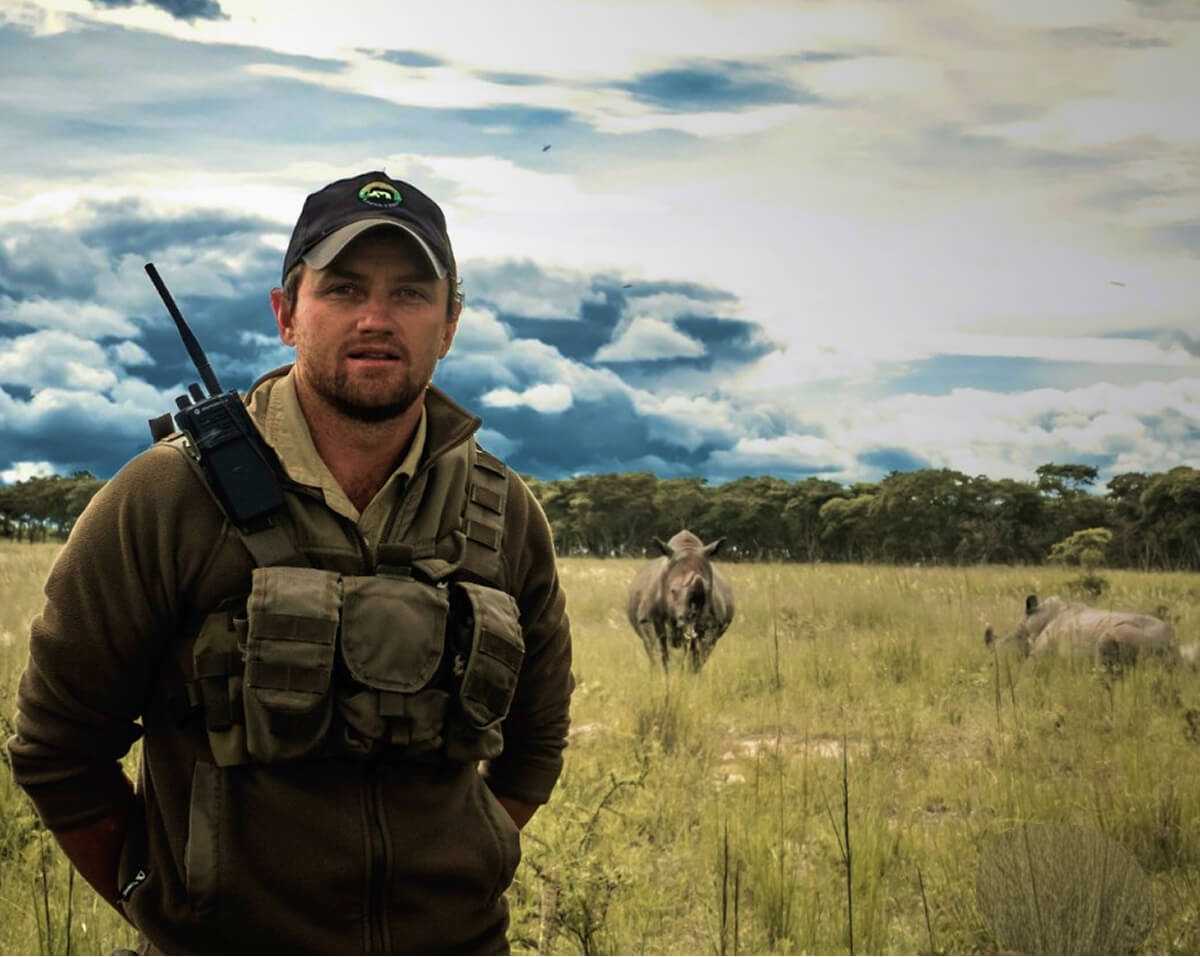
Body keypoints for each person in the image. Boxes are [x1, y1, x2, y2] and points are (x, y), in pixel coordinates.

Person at [7, 171, 574, 954]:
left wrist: (470, 854)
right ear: (286, 313)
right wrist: (156, 900)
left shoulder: (502, 512)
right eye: (343, 289)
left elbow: (536, 742)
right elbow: (57, 746)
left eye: (411, 294)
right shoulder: (170, 495)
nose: (377, 318)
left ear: (449, 324)